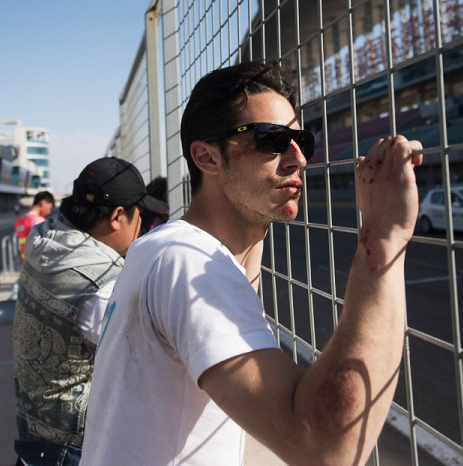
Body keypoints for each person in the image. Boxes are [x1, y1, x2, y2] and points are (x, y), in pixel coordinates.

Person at [81, 61, 423, 466]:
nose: (298, 158)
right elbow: (327, 450)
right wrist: (385, 235)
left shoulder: (159, 247)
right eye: (271, 140)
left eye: (302, 141)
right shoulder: (185, 262)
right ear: (207, 157)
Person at [13, 157, 168, 466]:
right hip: (76, 449)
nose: (141, 227)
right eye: (141, 215)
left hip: (33, 432)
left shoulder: (44, 237)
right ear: (117, 216)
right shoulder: (101, 284)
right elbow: (149, 363)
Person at [14, 190, 55, 263]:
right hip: (38, 263)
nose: (49, 212)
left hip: (25, 262)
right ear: (43, 202)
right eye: (49, 207)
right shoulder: (38, 221)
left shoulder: (20, 220)